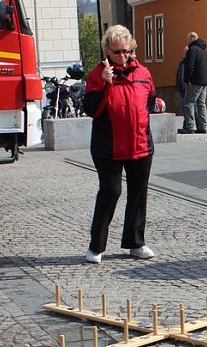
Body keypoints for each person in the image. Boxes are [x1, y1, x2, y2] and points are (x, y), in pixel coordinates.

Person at [82, 25, 156, 263]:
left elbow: (150, 101)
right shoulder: (97, 75)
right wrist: (105, 84)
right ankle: (96, 246)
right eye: (117, 52)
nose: (122, 56)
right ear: (107, 51)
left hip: (140, 144)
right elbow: (91, 109)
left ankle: (135, 243)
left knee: (138, 193)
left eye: (126, 51)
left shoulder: (143, 72)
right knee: (110, 191)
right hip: (108, 147)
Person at [178, 32, 207, 135]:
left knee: (188, 103)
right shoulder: (203, 50)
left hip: (195, 81)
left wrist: (187, 80)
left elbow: (189, 66)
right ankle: (202, 126)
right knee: (201, 104)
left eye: (188, 39)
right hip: (204, 81)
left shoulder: (193, 49)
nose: (187, 41)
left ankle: (189, 126)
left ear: (192, 38)